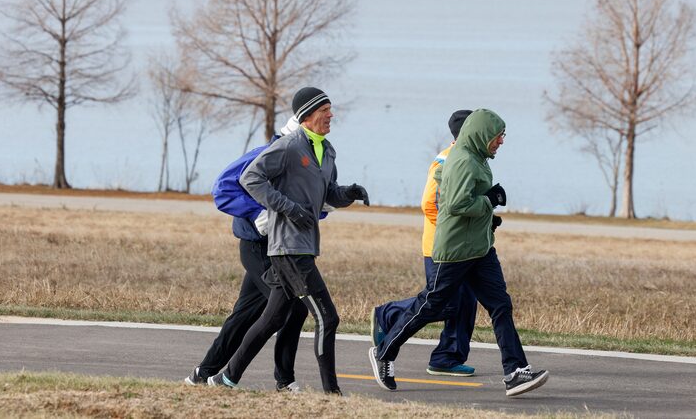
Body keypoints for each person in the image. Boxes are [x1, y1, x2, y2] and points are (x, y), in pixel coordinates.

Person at [368, 109, 549, 398]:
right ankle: (385, 352)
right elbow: (454, 205)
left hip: (479, 249)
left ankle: (515, 372)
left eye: (503, 136)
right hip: (454, 251)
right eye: (498, 136)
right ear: (481, 134)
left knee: (500, 305)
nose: (501, 141)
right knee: (431, 304)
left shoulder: (475, 156)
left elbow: (459, 194)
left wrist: (487, 218)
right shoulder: (463, 160)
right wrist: (488, 201)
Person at [208, 87, 369, 395]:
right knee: (327, 317)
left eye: (331, 110)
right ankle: (331, 394)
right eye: (325, 110)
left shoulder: (327, 151)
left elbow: (328, 193)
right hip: (287, 247)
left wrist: (349, 193)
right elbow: (249, 178)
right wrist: (285, 208)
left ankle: (225, 377)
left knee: (272, 318)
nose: (331, 115)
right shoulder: (289, 146)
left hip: (306, 244)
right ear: (307, 115)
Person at [184, 116, 307, 392]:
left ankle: (201, 374)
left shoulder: (302, 160)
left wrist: (330, 202)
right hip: (257, 247)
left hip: (281, 248)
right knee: (293, 308)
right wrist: (256, 213)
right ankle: (284, 381)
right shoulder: (265, 155)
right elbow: (223, 189)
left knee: (244, 315)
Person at [371, 110, 480, 377]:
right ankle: (388, 314)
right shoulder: (445, 160)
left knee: (466, 301)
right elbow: (429, 203)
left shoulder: (472, 158)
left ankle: (446, 358)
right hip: (441, 247)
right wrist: (454, 229)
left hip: (465, 247)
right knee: (443, 303)